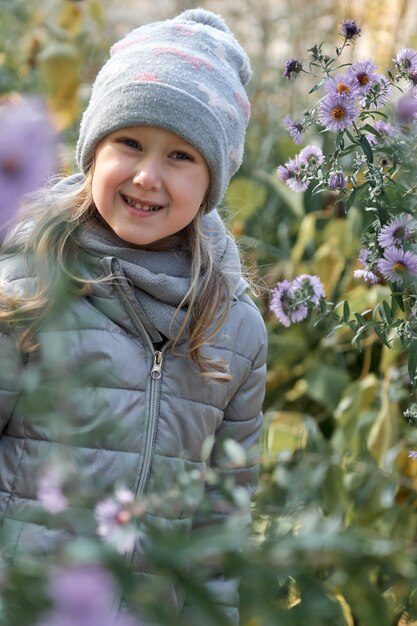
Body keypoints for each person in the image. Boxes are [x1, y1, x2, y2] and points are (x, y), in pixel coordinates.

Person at [0, 8, 267, 626]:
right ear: (94, 150)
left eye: (180, 155)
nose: (148, 176)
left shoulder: (231, 326)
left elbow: (222, 519)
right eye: (129, 142)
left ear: (212, 182)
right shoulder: (30, 282)